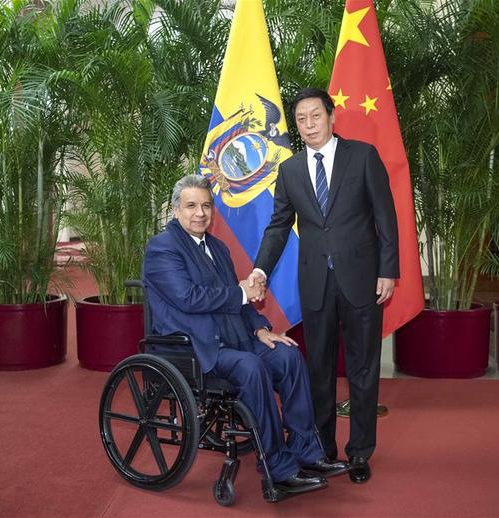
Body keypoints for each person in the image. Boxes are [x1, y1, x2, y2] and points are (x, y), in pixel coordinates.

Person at [142, 175, 349, 498]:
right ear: (175, 210)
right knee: (251, 368)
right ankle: (278, 471)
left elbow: (240, 301)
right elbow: (188, 297)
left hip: (236, 338)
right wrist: (240, 292)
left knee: (288, 355)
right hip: (193, 347)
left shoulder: (218, 248)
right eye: (191, 206)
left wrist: (261, 328)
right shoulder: (162, 248)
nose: (199, 213)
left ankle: (307, 452)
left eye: (206, 206)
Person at [250, 88, 399, 484]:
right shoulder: (292, 170)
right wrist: (260, 270)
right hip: (315, 283)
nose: (310, 124)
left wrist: (389, 270)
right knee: (318, 369)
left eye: (316, 116)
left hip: (362, 280)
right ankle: (322, 449)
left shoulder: (362, 156)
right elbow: (278, 226)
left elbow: (386, 218)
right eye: (301, 119)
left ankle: (360, 452)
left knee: (363, 368)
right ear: (296, 127)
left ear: (331, 117)